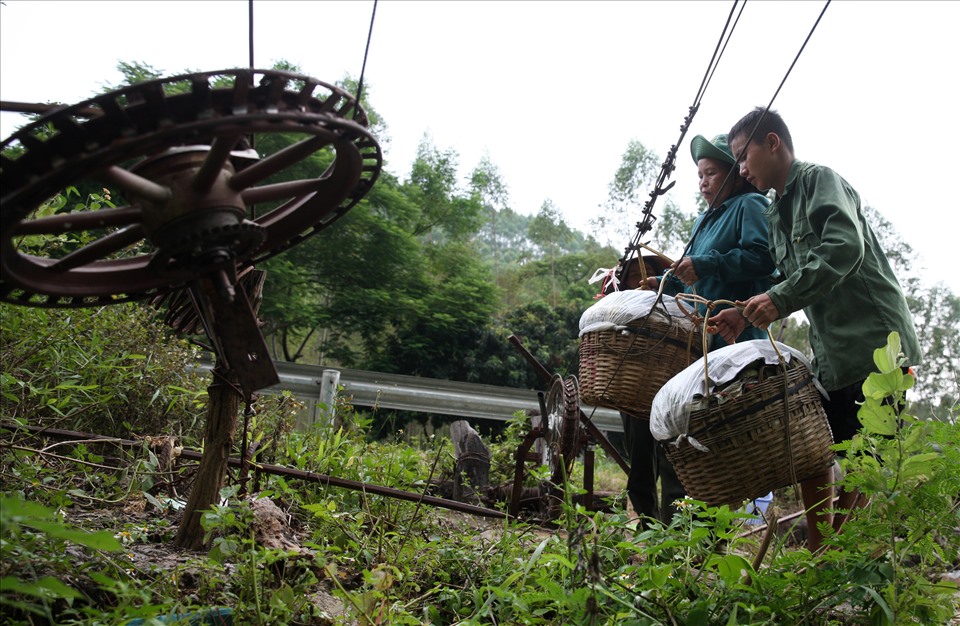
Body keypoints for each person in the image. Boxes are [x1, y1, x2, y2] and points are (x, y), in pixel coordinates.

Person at [709, 107, 921, 552]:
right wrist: (746, 313)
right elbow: (782, 280)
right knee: (815, 455)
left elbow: (845, 247)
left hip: (875, 345)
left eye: (743, 157)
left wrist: (779, 300)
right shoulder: (773, 213)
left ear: (773, 143)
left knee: (867, 461)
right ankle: (821, 553)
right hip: (831, 354)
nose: (741, 170)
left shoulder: (819, 181)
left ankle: (831, 563)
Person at [622, 132, 777, 525]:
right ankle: (653, 522)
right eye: (700, 175)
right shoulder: (703, 221)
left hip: (731, 341)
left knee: (702, 436)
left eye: (711, 173)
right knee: (656, 418)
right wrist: (659, 287)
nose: (703, 182)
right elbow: (686, 277)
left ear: (735, 175)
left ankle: (699, 532)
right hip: (694, 341)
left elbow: (764, 259)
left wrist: (708, 265)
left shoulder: (751, 205)